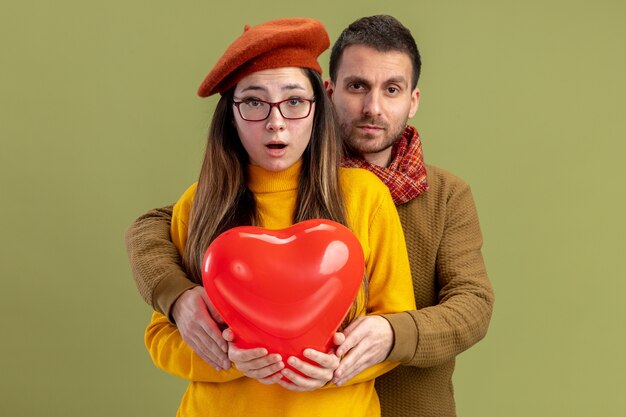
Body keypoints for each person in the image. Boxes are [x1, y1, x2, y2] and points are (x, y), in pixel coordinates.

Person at [126, 15, 494, 417]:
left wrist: (384, 339)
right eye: (357, 86)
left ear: (413, 99)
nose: (276, 121)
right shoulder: (200, 202)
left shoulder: (402, 196)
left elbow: (470, 305)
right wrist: (194, 318)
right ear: (331, 95)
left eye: (392, 89)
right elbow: (153, 241)